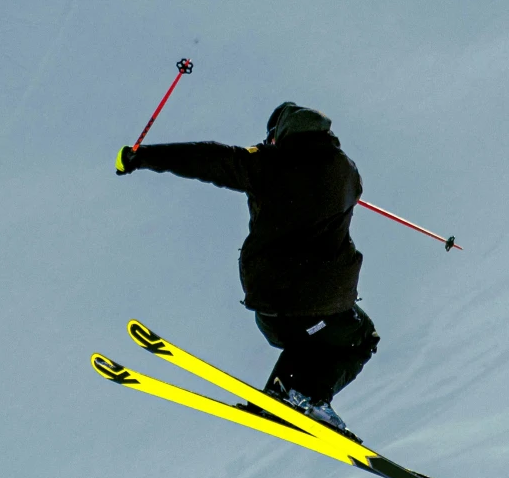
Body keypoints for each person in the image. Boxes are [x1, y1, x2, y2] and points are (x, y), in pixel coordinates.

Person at [115, 102, 377, 436]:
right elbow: (348, 190)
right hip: (322, 300)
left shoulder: (266, 163)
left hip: (272, 300)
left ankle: (291, 394)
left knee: (313, 332)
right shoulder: (347, 172)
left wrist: (144, 156)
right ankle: (300, 396)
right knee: (359, 336)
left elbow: (209, 159)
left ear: (280, 132)